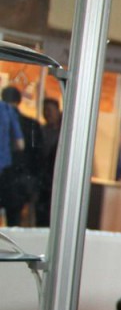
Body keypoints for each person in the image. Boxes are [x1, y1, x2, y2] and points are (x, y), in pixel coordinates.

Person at [0, 86, 30, 226]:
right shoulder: (28, 123)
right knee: (13, 222)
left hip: (10, 174)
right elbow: (21, 145)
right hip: (14, 177)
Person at [36, 97, 61, 227]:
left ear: (57, 111)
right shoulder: (40, 131)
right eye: (45, 110)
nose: (47, 113)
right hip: (42, 182)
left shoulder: (64, 133)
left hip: (57, 182)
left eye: (50, 110)